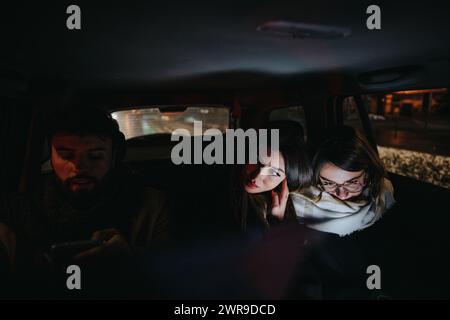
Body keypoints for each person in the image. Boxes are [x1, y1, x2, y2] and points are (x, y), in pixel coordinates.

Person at [0, 106, 169, 294]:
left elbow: (173, 273)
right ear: (50, 155)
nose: (79, 167)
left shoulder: (150, 205)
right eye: (66, 155)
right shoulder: (19, 208)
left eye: (95, 156)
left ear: (114, 157)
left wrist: (130, 260)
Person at [291, 125, 395, 237]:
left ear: (367, 175)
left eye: (352, 183)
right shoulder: (293, 206)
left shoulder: (384, 194)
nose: (342, 195)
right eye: (329, 183)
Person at [231, 121, 312, 234]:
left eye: (273, 172)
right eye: (258, 160)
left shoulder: (284, 206)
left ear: (285, 181)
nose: (257, 177)